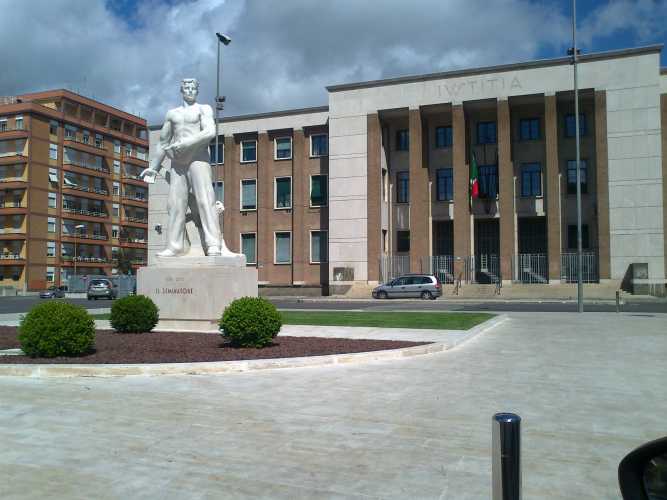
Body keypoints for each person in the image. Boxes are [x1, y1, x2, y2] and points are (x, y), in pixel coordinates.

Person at [141, 78, 234, 257]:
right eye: (187, 88)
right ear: (181, 90)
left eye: (193, 88)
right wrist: (153, 167)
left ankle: (213, 244)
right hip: (178, 162)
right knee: (176, 204)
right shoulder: (172, 114)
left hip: (198, 158)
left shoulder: (203, 109)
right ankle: (175, 246)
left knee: (205, 200)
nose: (190, 91)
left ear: (197, 91)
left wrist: (185, 144)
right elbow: (163, 141)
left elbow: (209, 132)